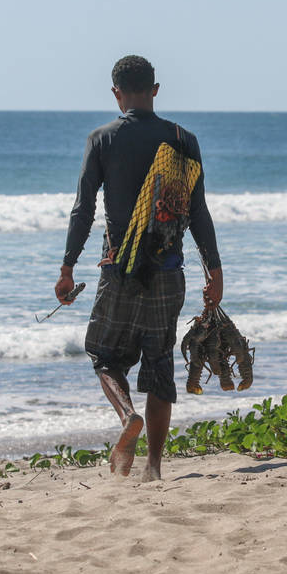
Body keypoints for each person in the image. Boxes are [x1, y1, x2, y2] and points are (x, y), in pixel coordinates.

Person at [55, 55, 222, 483]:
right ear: (155, 89)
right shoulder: (184, 139)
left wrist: (68, 266)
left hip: (119, 269)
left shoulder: (101, 139)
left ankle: (128, 416)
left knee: (104, 357)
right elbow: (198, 211)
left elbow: (83, 209)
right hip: (169, 269)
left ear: (116, 92)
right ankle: (153, 467)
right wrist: (213, 270)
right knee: (160, 364)